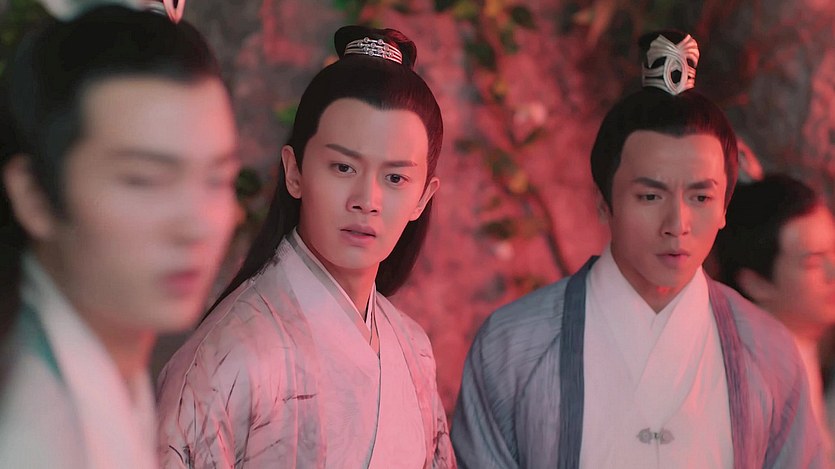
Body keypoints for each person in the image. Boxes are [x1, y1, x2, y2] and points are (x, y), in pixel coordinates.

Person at [451, 30, 825, 468]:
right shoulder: (515, 346)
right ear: (602, 201)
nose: (677, 225)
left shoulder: (768, 352)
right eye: (650, 196)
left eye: (701, 197)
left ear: (725, 206)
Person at [156, 25, 454, 468]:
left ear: (422, 198)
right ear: (294, 171)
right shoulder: (230, 356)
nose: (366, 200)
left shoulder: (414, 351)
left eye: (395, 178)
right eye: (343, 167)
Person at [0, 6, 239, 468]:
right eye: (144, 181)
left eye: (217, 179)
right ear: (33, 195)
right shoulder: (33, 436)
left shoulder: (109, 368)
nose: (196, 226)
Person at [714, 174, 835, 457]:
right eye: (813, 262)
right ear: (756, 283)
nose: (833, 272)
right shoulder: (753, 389)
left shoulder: (805, 350)